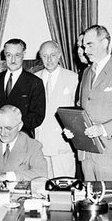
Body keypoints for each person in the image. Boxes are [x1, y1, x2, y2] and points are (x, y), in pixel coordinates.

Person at [65, 25, 112, 181]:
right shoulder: (86, 72)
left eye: (90, 45)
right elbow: (81, 108)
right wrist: (74, 129)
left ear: (105, 43)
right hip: (86, 154)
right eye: (84, 46)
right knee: (90, 203)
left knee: (110, 203)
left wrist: (103, 129)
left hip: (110, 155)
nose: (85, 50)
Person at [34, 40, 78, 178]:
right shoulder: (35, 79)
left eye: (53, 55)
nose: (49, 59)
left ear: (59, 55)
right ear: (40, 57)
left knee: (64, 188)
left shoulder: (73, 78)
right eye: (45, 56)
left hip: (63, 145)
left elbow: (78, 111)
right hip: (41, 144)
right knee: (42, 189)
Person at [0, 38, 45, 137]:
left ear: (24, 54)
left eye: (17, 55)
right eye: (8, 55)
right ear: (4, 56)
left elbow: (37, 117)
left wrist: (13, 126)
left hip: (22, 137)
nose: (12, 60)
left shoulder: (35, 82)